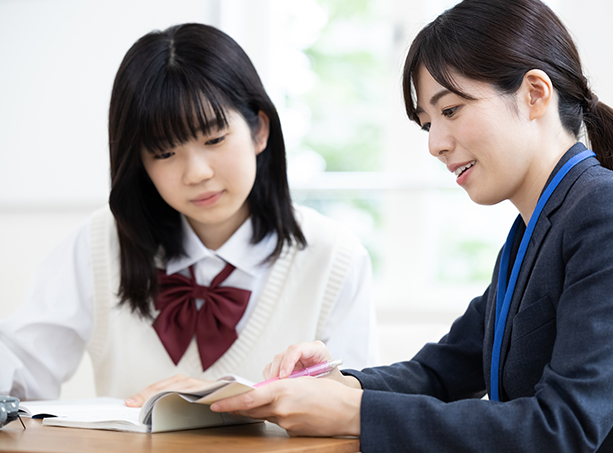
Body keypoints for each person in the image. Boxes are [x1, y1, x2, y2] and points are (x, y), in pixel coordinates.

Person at [207, 0, 613, 451]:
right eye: (427, 121)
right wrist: (338, 384)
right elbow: (439, 373)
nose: (435, 143)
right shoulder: (533, 232)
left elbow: (563, 428)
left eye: (450, 110)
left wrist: (355, 412)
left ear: (535, 94)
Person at [0, 23, 379, 403]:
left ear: (259, 130)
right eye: (164, 153)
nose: (197, 173)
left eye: (214, 139)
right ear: (140, 164)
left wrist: (225, 402)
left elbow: (350, 414)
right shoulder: (101, 244)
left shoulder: (334, 257)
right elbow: (21, 369)